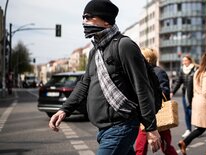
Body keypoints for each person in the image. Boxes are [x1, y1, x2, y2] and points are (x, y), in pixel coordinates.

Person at [48, 0, 161, 154]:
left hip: (121, 126)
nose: (84, 22)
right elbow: (84, 84)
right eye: (83, 18)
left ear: (106, 21)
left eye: (88, 17)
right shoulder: (95, 51)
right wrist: (64, 110)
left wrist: (151, 128)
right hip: (104, 129)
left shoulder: (124, 46)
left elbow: (142, 87)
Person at [135, 48, 178, 155]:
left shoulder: (158, 72)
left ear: (147, 59)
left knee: (166, 147)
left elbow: (164, 93)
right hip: (145, 116)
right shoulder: (142, 71)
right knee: (140, 148)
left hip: (159, 115)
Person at [178, 53, 206, 155]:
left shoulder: (197, 72)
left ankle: (186, 142)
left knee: (203, 128)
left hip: (197, 102)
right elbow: (205, 91)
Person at [170, 55, 197, 138]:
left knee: (193, 112)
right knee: (187, 112)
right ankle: (188, 129)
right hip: (185, 94)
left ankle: (197, 127)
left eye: (185, 60)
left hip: (195, 94)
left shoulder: (195, 69)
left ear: (190, 61)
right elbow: (178, 81)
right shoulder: (182, 70)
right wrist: (172, 92)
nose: (184, 62)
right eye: (183, 61)